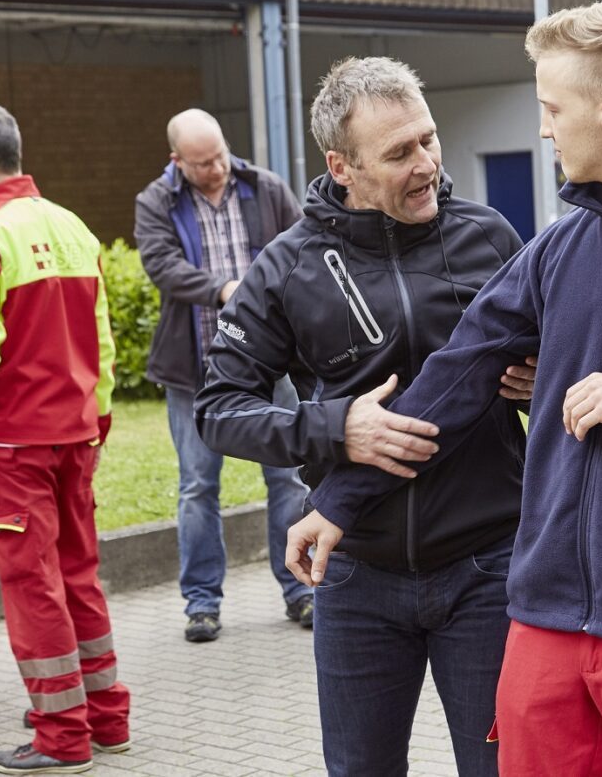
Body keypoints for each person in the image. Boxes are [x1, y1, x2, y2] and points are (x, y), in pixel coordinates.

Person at [298, 0, 602, 776]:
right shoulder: (558, 249)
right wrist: (339, 501)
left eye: (551, 108)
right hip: (546, 629)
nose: (544, 128)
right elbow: (454, 376)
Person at [195, 57, 537, 776]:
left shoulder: (491, 237)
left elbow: (563, 370)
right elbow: (219, 410)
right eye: (399, 152)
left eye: (429, 139)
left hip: (488, 568)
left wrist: (539, 381)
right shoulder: (289, 266)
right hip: (356, 574)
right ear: (342, 167)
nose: (428, 165)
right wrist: (333, 426)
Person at [0, 102, 129, 775]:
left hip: (10, 445)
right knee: (79, 576)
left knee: (31, 585)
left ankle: (61, 736)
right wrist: (96, 422)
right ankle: (108, 719)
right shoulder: (74, 227)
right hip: (76, 436)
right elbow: (103, 343)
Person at [134, 108, 314, 643]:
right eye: (201, 163)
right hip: (195, 371)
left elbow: (302, 247)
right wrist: (223, 289)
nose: (215, 168)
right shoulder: (155, 202)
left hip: (271, 361)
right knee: (197, 487)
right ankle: (202, 604)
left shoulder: (264, 186)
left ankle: (300, 590)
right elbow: (162, 266)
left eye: (218, 156)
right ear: (177, 162)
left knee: (287, 478)